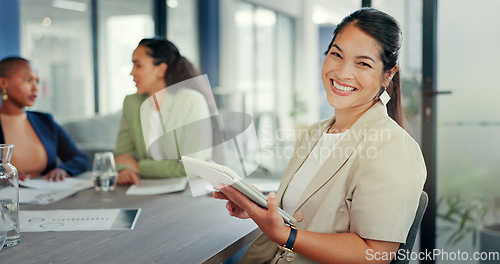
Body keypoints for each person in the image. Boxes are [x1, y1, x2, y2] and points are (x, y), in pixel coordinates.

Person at [214, 8, 427, 264]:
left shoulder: (393, 148)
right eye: (336, 54)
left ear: (388, 75)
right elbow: (305, 211)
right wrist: (258, 207)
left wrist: (286, 235)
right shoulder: (315, 133)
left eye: (363, 63)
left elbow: (375, 254)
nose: (342, 72)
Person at [115, 38, 215, 185]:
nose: (131, 72)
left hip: (190, 188)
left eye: (138, 65)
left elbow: (194, 167)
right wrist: (125, 170)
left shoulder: (191, 100)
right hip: (144, 187)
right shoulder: (131, 103)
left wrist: (138, 167)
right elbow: (122, 155)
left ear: (161, 69)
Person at [0, 57, 89, 181]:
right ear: (3, 83)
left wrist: (63, 169)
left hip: (46, 194)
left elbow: (80, 158)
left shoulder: (45, 121)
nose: (35, 88)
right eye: (27, 80)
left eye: (37, 82)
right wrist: (5, 177)